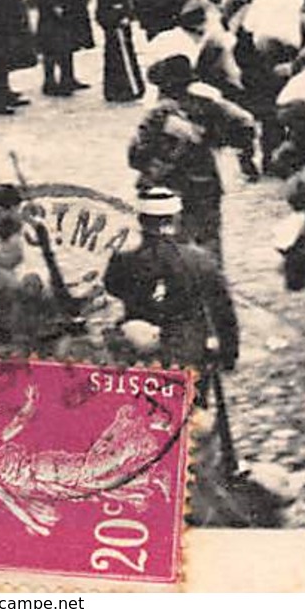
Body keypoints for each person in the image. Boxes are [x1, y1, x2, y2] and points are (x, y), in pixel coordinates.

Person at [128, 54, 258, 266]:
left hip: (165, 186)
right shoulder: (209, 104)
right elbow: (246, 124)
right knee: (208, 241)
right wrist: (214, 139)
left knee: (166, 244)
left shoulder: (158, 114)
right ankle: (212, 286)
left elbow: (135, 155)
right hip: (204, 183)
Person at [104, 187, 239, 371]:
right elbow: (222, 310)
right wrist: (229, 354)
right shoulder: (198, 258)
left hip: (140, 345)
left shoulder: (125, 255)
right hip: (187, 350)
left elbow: (112, 286)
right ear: (177, 218)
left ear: (142, 220)